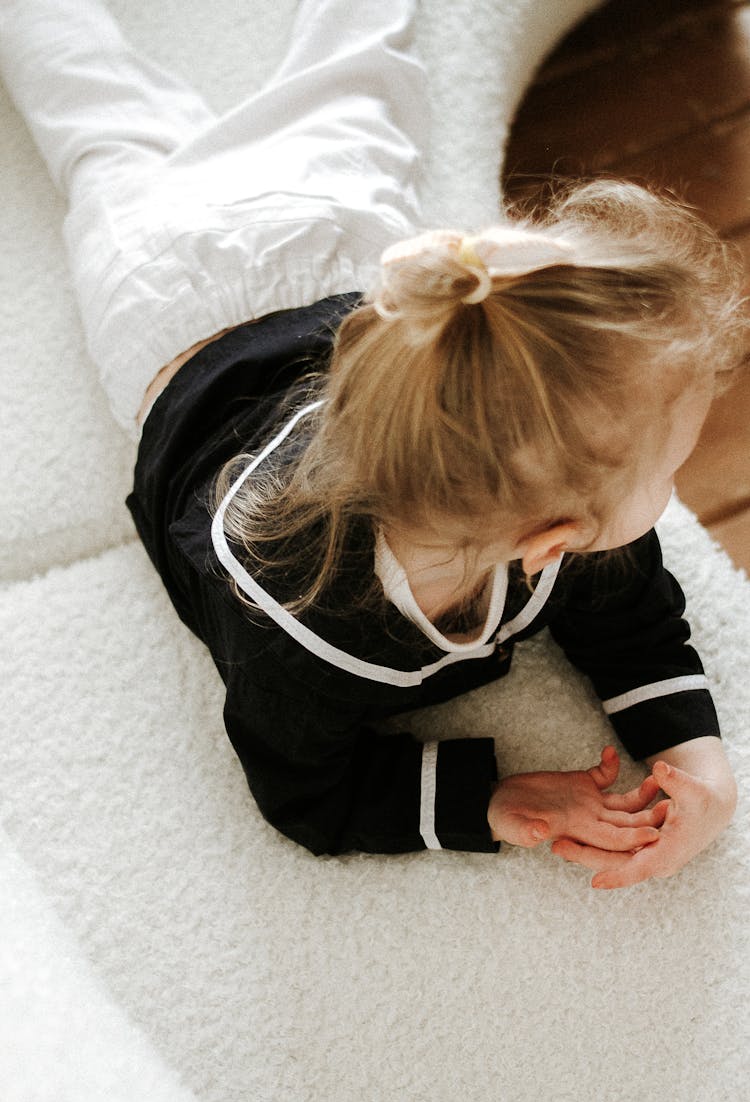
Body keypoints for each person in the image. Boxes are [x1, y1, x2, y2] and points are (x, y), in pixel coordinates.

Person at [1, 0, 743, 889]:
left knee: (363, 66)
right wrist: (490, 799)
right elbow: (304, 793)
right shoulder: (298, 634)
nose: (669, 491)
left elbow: (632, 615)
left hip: (330, 237)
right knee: (96, 116)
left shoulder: (538, 472)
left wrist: (699, 764)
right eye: (666, 472)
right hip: (171, 287)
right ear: (550, 540)